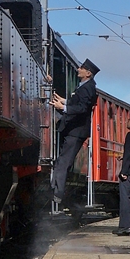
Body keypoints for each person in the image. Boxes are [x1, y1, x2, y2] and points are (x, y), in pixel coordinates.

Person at [50, 59, 100, 212]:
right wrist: (64, 101)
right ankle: (55, 190)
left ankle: (57, 193)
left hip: (76, 131)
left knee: (64, 162)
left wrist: (63, 107)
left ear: (88, 73)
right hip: (75, 131)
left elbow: (82, 108)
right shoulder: (85, 86)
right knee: (62, 161)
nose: (78, 69)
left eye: (81, 68)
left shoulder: (88, 88)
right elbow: (77, 103)